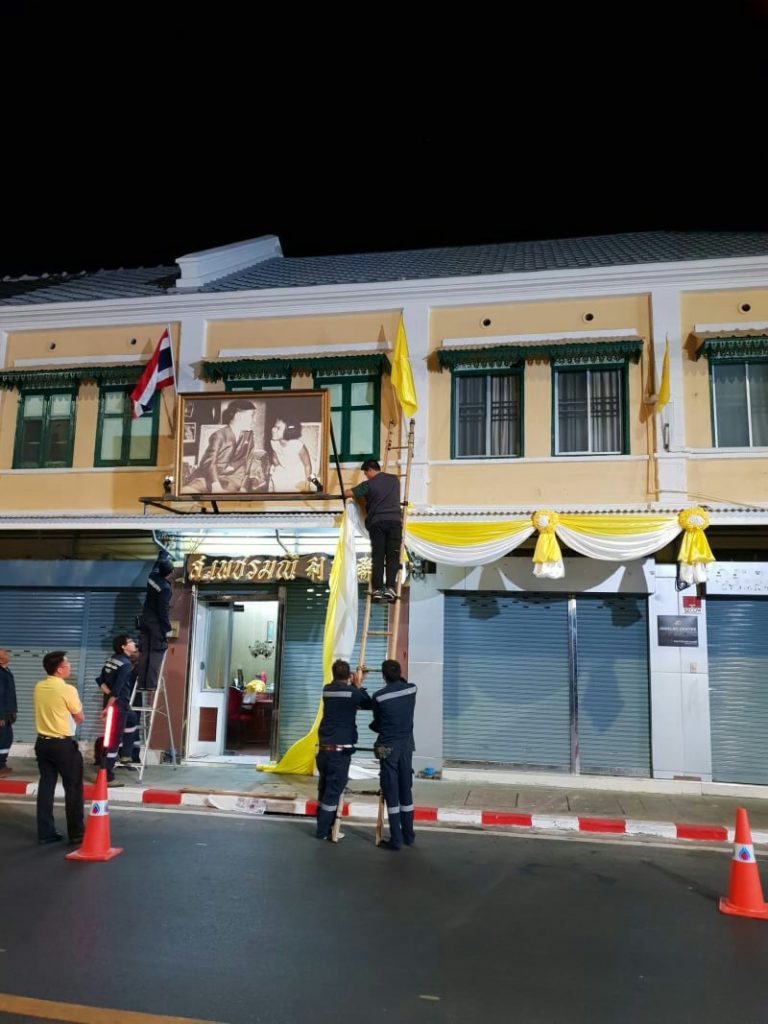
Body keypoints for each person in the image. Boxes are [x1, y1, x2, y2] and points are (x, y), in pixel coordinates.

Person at [315, 659, 372, 841]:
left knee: (324, 788)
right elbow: (368, 703)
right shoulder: (352, 693)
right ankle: (323, 831)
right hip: (339, 752)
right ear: (349, 675)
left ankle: (324, 827)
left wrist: (353, 684)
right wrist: (358, 684)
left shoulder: (327, 690)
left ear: (333, 674)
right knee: (333, 791)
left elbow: (349, 698)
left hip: (324, 748)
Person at [33, 651, 85, 846]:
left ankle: (45, 833)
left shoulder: (39, 686)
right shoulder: (68, 689)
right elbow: (79, 716)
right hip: (63, 745)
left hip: (42, 743)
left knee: (46, 786)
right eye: (67, 663)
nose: (70, 666)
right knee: (73, 787)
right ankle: (77, 833)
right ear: (60, 669)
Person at [369, 659, 417, 851]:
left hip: (388, 747)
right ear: (400, 672)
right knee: (406, 789)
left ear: (383, 676)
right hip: (406, 746)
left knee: (391, 791)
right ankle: (409, 835)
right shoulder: (412, 689)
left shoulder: (379, 697)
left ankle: (396, 840)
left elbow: (378, 723)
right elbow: (403, 683)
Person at [344, 459, 402, 602]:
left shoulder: (368, 485)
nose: (366, 476)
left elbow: (348, 493)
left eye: (366, 473)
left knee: (378, 556)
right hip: (395, 522)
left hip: (377, 523)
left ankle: (377, 589)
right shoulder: (394, 480)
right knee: (393, 556)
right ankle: (390, 587)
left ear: (370, 470)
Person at [186, 399, 267, 493]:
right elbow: (209, 461)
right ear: (239, 416)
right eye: (251, 416)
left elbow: (248, 460)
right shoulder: (219, 435)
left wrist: (244, 486)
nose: (254, 420)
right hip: (209, 477)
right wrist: (215, 484)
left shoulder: (248, 435)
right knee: (187, 491)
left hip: (232, 479)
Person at [97, 635, 139, 787]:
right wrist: (109, 705)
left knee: (132, 719)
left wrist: (108, 695)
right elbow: (118, 688)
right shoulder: (126, 664)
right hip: (118, 705)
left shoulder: (112, 660)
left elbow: (100, 680)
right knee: (113, 740)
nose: (134, 643)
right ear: (123, 646)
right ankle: (107, 776)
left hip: (118, 703)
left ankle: (126, 754)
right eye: (130, 642)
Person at [137, 552, 173, 691]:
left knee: (145, 652)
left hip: (145, 620)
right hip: (156, 624)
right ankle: (150, 685)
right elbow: (162, 610)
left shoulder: (152, 577)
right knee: (156, 652)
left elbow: (156, 566)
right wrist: (167, 628)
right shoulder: (165, 588)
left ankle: (141, 684)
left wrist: (162, 555)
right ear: (170, 573)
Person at [268, 416, 312, 493]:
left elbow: (307, 465)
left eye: (278, 428)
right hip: (284, 468)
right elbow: (276, 457)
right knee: (277, 481)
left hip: (300, 470)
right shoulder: (273, 442)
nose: (273, 429)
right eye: (274, 426)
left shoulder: (297, 445)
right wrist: (275, 463)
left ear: (287, 431)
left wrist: (307, 484)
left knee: (297, 488)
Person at [0, 647, 17, 778]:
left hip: (7, 712)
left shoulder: (6, 670)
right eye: (5, 653)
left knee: (7, 739)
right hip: (2, 713)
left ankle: (2, 765)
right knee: (3, 739)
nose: (7, 654)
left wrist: (13, 711)